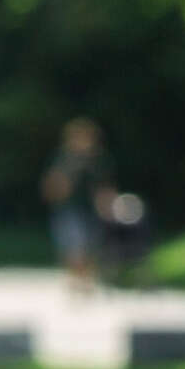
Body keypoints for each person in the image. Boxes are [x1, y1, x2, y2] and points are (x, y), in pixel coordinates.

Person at [42, 117, 111, 296]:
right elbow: (52, 184)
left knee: (91, 245)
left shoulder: (97, 160)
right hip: (69, 208)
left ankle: (86, 279)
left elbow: (104, 185)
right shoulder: (63, 159)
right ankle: (76, 279)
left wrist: (107, 204)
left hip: (91, 209)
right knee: (74, 245)